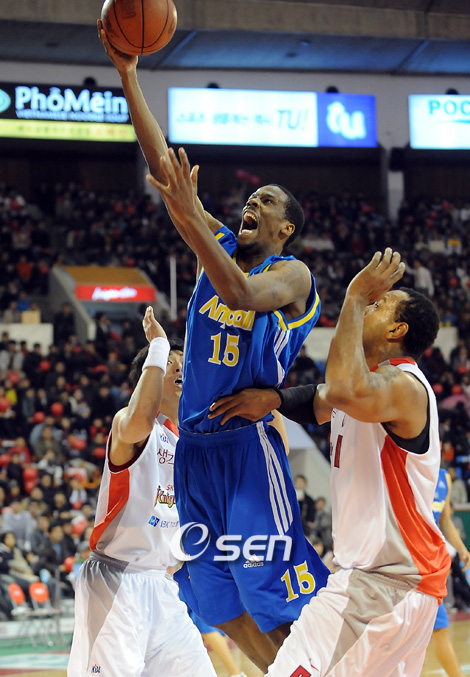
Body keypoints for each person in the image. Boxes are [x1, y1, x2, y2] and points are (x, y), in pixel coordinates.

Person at [98, 23, 329, 674]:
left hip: (246, 451)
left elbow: (240, 291)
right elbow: (163, 167)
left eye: (267, 202)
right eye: (250, 197)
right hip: (196, 454)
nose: (253, 203)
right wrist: (129, 75)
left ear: (286, 227)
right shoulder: (219, 245)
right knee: (217, 602)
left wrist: (189, 217)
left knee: (273, 599)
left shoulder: (293, 276)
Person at [210, 249, 452, 676]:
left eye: (380, 306)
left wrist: (356, 296)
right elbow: (320, 399)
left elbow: (339, 390)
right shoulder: (369, 388)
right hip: (397, 583)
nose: (370, 306)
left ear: (397, 329)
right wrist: (274, 399)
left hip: (383, 582)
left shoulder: (404, 386)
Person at [68, 307, 216, 677]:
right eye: (170, 364)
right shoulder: (129, 424)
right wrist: (159, 344)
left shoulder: (190, 443)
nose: (180, 369)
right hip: (116, 579)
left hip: (161, 584)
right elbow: (140, 417)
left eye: (184, 363)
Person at [431, 466, 470, 677]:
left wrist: (461, 549)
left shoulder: (444, 477)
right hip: (402, 564)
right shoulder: (408, 465)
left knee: (440, 628)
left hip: (428, 567)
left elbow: (444, 520)